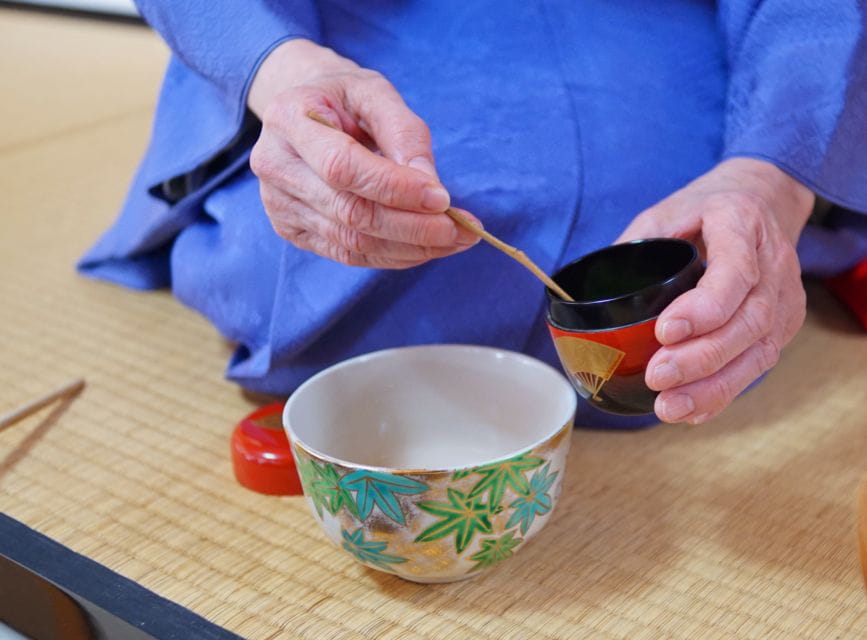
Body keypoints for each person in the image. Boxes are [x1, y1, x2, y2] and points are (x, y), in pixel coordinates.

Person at [80, 1, 867, 429]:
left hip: (655, 17)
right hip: (339, 19)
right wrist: (280, 67)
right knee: (335, 221)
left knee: (684, 237)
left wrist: (772, 173)